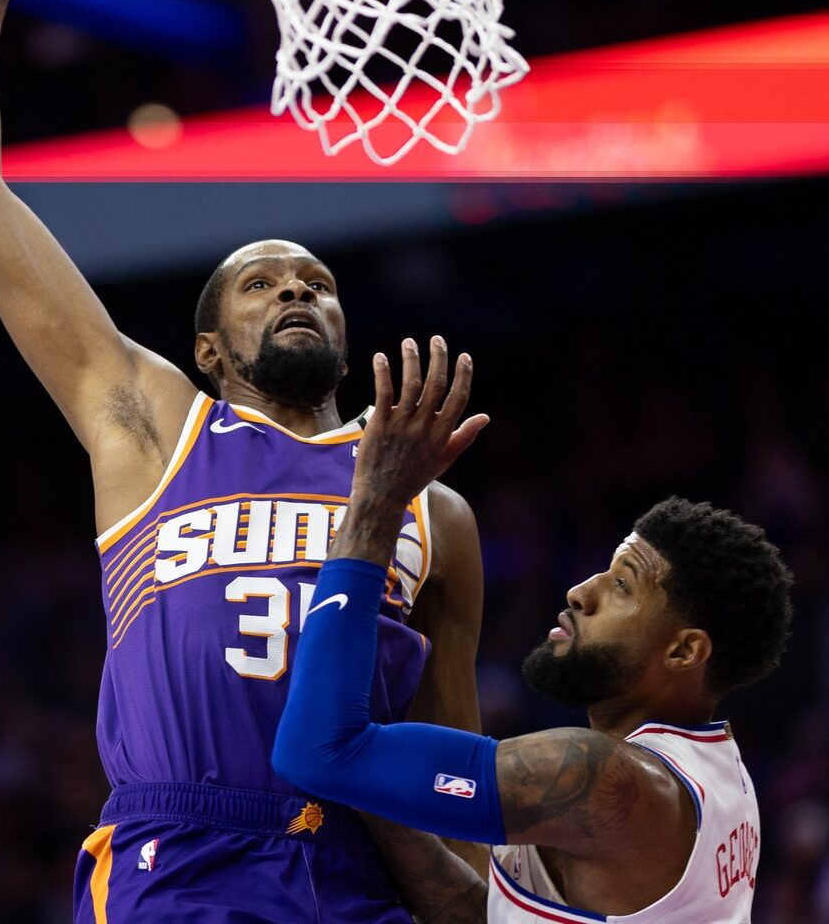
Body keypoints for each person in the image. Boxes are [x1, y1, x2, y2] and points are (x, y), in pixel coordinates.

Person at [0, 0, 486, 924]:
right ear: (213, 353)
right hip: (181, 858)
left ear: (346, 336)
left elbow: (452, 778)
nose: (296, 290)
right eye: (261, 286)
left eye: (316, 283)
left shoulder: (437, 510)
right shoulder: (152, 426)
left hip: (354, 870)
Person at [274, 336, 795, 923]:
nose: (582, 591)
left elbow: (315, 752)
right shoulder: (721, 781)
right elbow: (486, 916)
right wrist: (372, 786)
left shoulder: (604, 778)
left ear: (684, 650)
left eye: (622, 586)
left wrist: (377, 501)